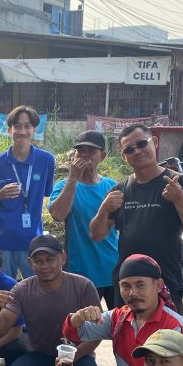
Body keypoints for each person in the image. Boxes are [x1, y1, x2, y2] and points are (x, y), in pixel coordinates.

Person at [90, 123, 183, 314]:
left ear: (155, 142)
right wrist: (103, 210)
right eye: (129, 149)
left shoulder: (177, 183)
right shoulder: (119, 191)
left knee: (165, 335)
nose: (137, 151)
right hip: (127, 287)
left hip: (165, 283)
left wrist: (179, 199)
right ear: (124, 156)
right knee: (126, 334)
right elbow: (96, 234)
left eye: (142, 144)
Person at [0, 234, 104, 366]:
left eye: (50, 259)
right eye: (38, 261)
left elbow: (97, 333)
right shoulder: (22, 289)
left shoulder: (83, 286)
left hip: (79, 356)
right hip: (41, 355)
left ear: (63, 258)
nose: (44, 266)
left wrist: (75, 355)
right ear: (30, 263)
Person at [0, 105, 55, 279]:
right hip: (3, 241)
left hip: (32, 240)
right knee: (5, 289)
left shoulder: (46, 161)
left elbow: (47, 193)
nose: (22, 131)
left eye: (27, 126)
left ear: (34, 130)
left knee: (36, 288)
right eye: (17, 126)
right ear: (9, 129)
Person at [48, 130, 119, 307]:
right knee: (84, 323)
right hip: (80, 271)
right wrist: (73, 178)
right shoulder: (63, 186)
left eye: (91, 151)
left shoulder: (112, 186)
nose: (85, 155)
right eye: (81, 151)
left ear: (102, 156)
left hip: (112, 268)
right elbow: (58, 215)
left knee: (121, 322)